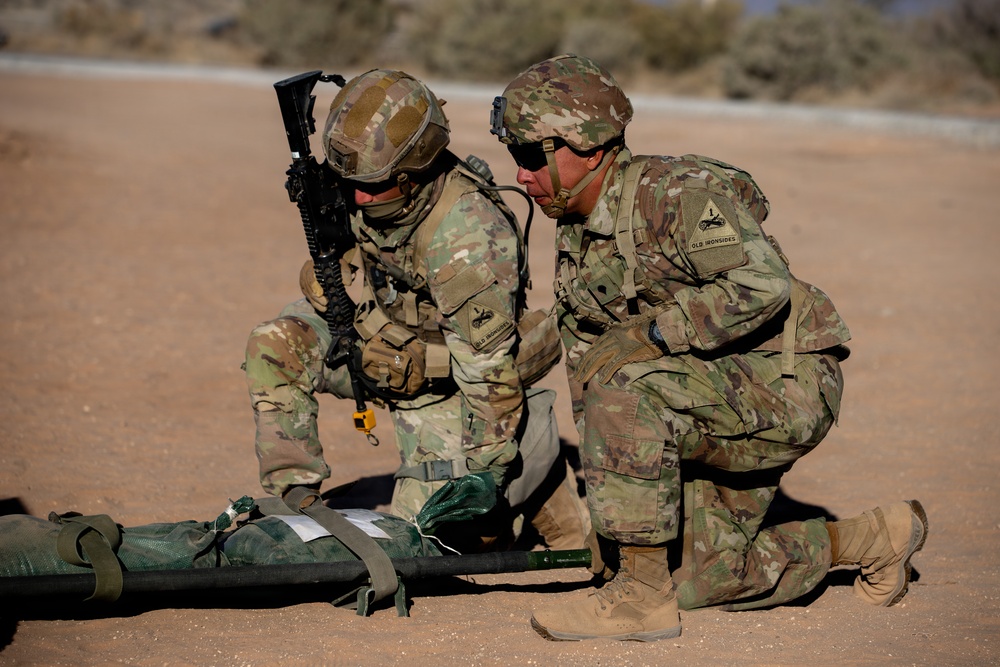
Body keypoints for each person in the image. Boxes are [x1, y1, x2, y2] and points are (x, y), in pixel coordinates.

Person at [491, 54, 928, 641]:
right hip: (705, 391)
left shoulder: (677, 194)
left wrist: (651, 334)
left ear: (588, 149)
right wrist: (617, 502)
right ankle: (875, 538)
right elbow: (584, 344)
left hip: (784, 386)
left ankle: (639, 602)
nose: (520, 176)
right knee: (703, 580)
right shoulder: (577, 220)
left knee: (626, 382)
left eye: (528, 157)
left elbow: (762, 284)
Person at [245, 68, 585, 552]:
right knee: (274, 343)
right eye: (347, 180)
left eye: (370, 184)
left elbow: (486, 372)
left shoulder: (466, 236)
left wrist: (489, 473)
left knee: (425, 537)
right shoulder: (360, 182)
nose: (356, 196)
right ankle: (295, 495)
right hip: (378, 343)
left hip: (451, 378)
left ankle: (533, 471)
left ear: (411, 173)